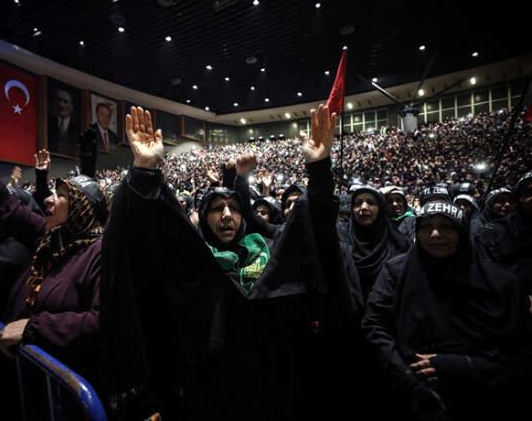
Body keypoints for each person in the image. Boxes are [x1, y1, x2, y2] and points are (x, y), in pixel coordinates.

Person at [101, 105, 362, 420]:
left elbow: (315, 237)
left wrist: (319, 168)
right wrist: (144, 169)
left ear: (244, 217)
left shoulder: (267, 250)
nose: (226, 215)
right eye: (216, 209)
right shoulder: (194, 261)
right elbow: (149, 240)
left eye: (234, 208)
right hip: (207, 393)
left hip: (272, 389)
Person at [0, 112, 105, 383]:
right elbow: (4, 207)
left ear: (81, 209)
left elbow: (101, 321)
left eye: (61, 196)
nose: (49, 200)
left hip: (60, 384)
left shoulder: (100, 253)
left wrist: (35, 328)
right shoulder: (47, 234)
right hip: (20, 372)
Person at [363, 200, 532, 420]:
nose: (435, 234)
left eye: (446, 226)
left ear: (461, 231)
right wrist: (410, 381)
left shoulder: (499, 282)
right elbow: (374, 326)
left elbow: (522, 352)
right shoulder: (396, 272)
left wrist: (462, 366)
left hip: (485, 397)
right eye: (425, 227)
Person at [338, 185, 411, 301]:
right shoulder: (341, 238)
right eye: (357, 203)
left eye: (371, 202)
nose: (364, 207)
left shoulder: (399, 243)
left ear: (381, 209)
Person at [48, 88, 80, 156]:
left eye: (65, 102)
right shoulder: (48, 125)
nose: (61, 105)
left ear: (72, 107)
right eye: (59, 100)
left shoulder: (79, 130)